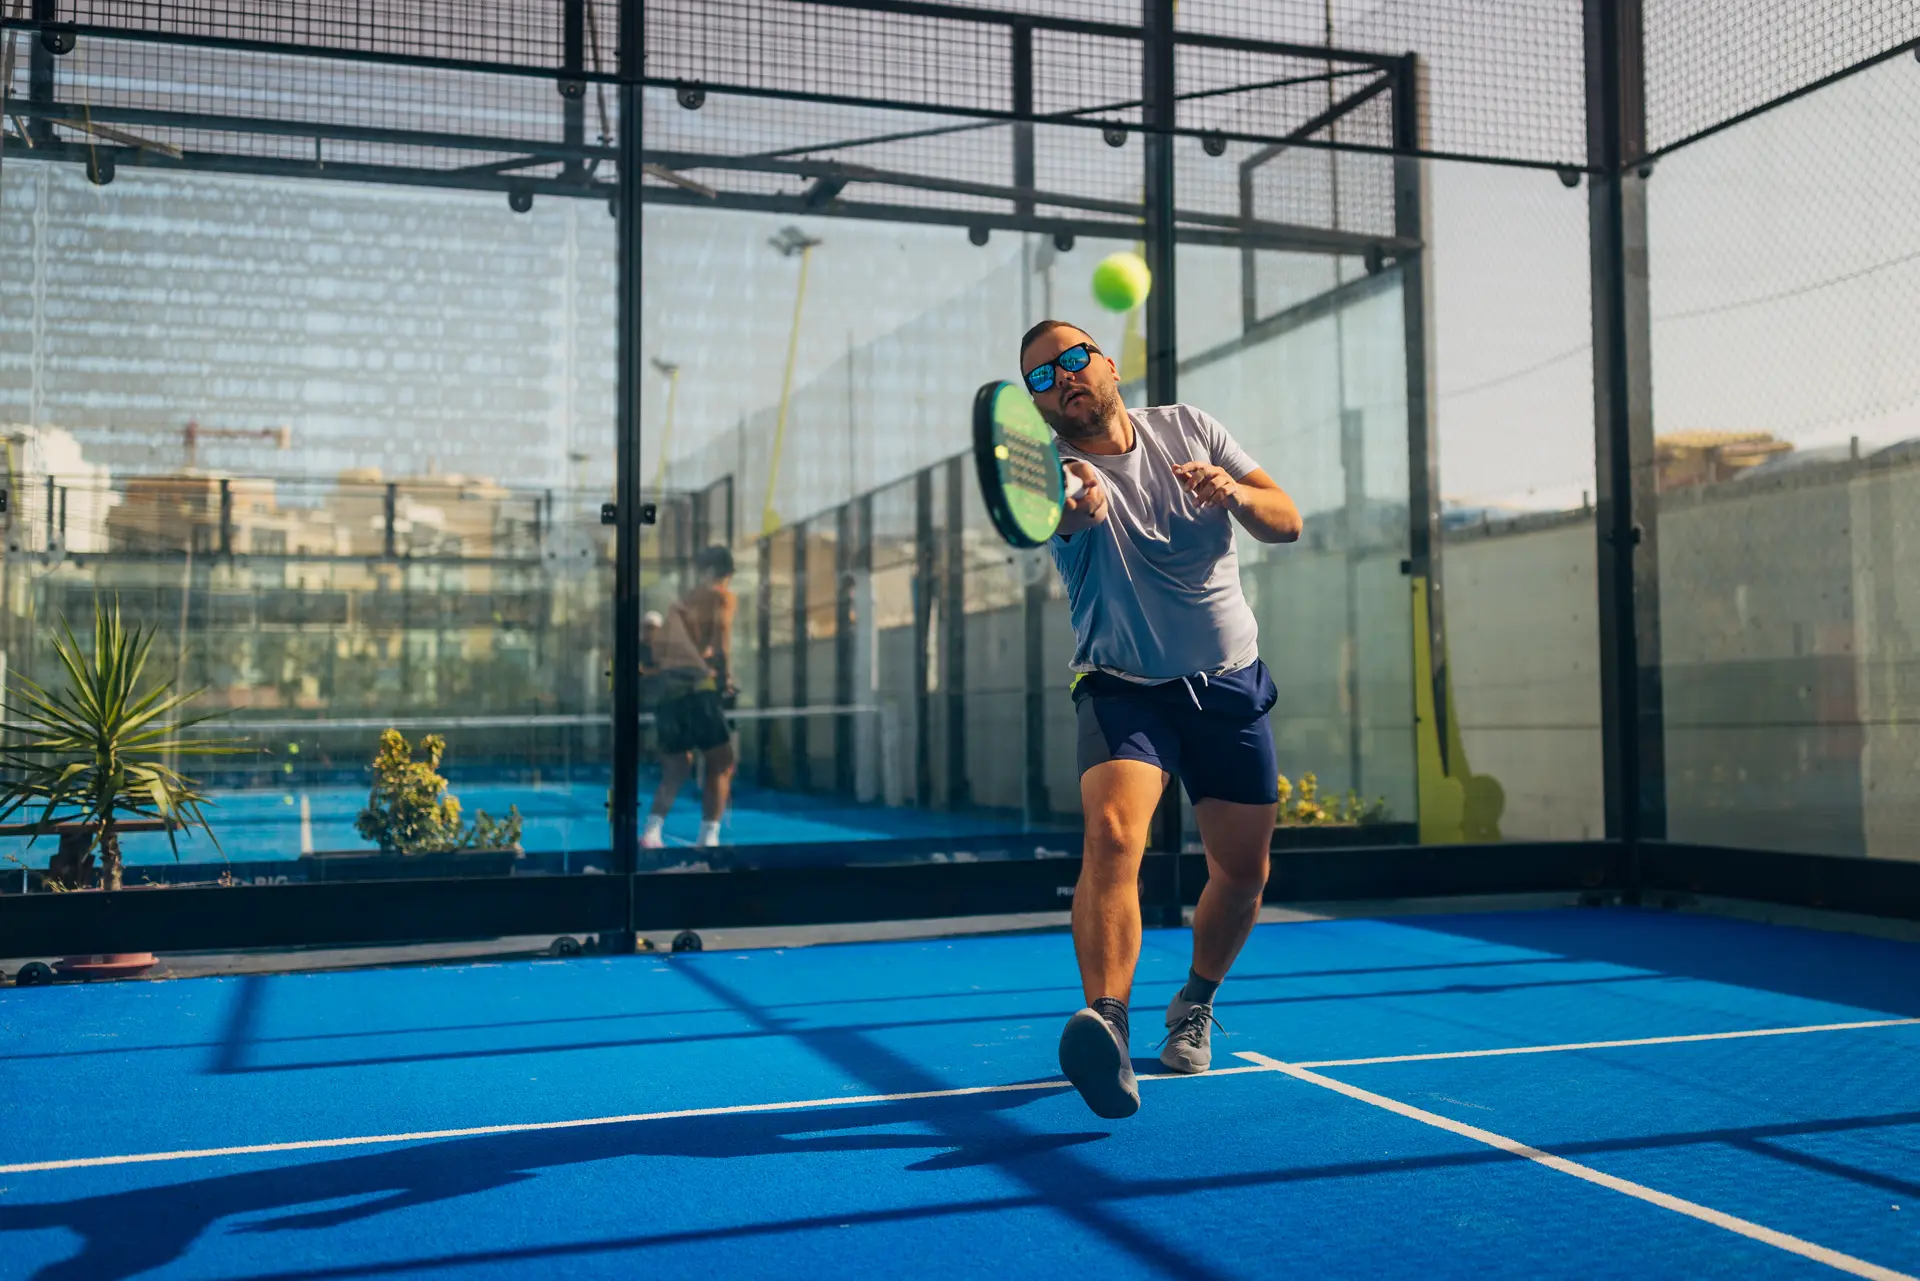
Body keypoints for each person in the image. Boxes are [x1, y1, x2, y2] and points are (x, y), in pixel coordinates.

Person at [1021, 320, 1302, 1120]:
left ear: (1107, 365)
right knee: (1113, 835)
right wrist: (1079, 501)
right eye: (1044, 376)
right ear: (1040, 407)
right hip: (1123, 687)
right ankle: (1107, 1023)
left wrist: (1234, 492)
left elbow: (1287, 518)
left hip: (1229, 683)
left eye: (1074, 359)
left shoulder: (1191, 427)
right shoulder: (1049, 474)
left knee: (1243, 872)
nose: (1064, 377)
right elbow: (1066, 517)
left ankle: (1195, 1002)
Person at [641, 546, 738, 849]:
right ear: (725, 574)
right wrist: (725, 676)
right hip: (696, 689)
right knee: (722, 762)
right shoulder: (721, 596)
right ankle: (709, 837)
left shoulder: (680, 605)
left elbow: (662, 651)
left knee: (677, 767)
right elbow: (721, 638)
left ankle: (652, 832)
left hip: (668, 695)